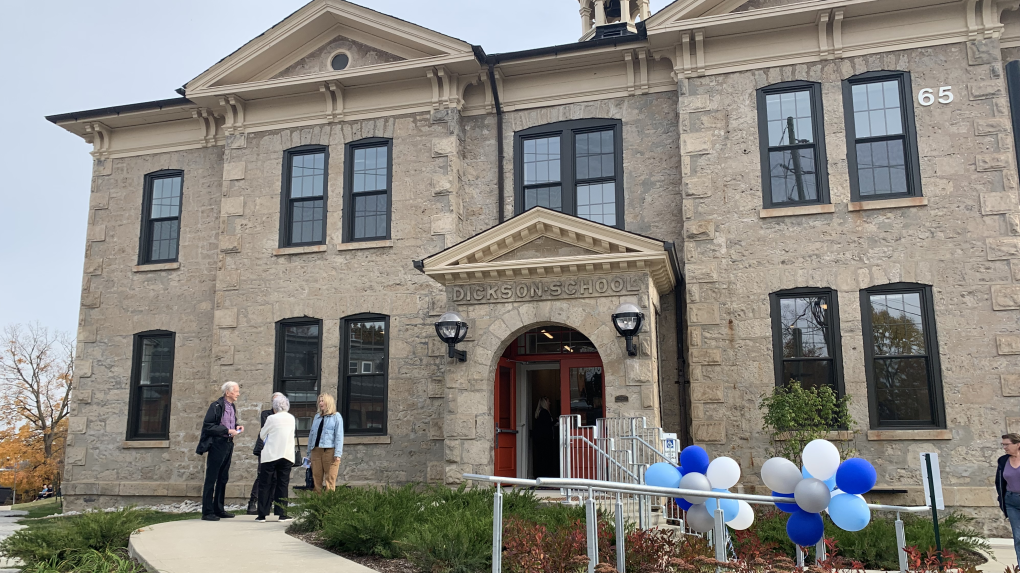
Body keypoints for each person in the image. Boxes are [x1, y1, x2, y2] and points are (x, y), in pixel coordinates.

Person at [197, 381, 243, 521]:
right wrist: (226, 430)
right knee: (212, 477)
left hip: (228, 443)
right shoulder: (216, 406)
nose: (238, 394)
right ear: (228, 392)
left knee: (223, 477)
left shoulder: (232, 406)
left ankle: (219, 508)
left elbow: (229, 423)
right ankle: (207, 511)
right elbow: (208, 426)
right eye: (236, 391)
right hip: (217, 444)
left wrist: (236, 427)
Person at [256, 393, 296, 523]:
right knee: (282, 484)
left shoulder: (271, 418)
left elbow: (262, 435)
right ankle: (282, 513)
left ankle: (262, 514)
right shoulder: (291, 418)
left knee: (265, 484)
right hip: (286, 454)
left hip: (271, 454)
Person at [248, 392, 284, 515]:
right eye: (275, 401)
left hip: (279, 449)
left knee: (275, 478)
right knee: (262, 475)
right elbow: (269, 429)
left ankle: (268, 504)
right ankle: (253, 501)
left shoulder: (285, 416)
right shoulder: (266, 414)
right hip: (265, 448)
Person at [306, 393, 344, 492]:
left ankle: (328, 504)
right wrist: (309, 453)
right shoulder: (317, 417)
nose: (320, 403)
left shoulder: (336, 417)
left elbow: (339, 436)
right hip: (316, 450)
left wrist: (338, 453)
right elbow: (311, 435)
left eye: (322, 401)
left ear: (328, 402)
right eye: (319, 401)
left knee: (330, 478)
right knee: (316, 477)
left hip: (329, 451)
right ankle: (317, 503)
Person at [997, 433, 1020, 563]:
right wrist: (1001, 499)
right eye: (1003, 445)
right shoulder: (1003, 460)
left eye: (1007, 444)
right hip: (1011, 501)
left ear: (1018, 444)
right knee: (1018, 537)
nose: (1004, 447)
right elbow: (999, 482)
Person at [532, 397, 558, 478]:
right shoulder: (544, 412)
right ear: (545, 403)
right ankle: (545, 475)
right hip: (545, 440)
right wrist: (556, 421)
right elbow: (547, 425)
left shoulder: (540, 412)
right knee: (545, 457)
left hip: (540, 440)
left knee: (541, 457)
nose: (550, 403)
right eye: (548, 401)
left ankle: (541, 474)